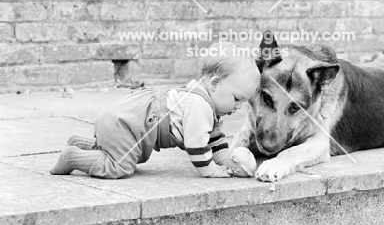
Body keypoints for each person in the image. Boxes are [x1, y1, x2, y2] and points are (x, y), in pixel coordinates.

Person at [50, 42, 260, 179]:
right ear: (215, 83)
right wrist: (211, 170)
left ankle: (84, 144)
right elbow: (197, 143)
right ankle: (73, 157)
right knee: (120, 167)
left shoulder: (206, 102)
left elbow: (214, 138)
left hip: (127, 122)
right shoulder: (199, 106)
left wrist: (225, 161)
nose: (239, 106)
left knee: (131, 155)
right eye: (237, 99)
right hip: (124, 124)